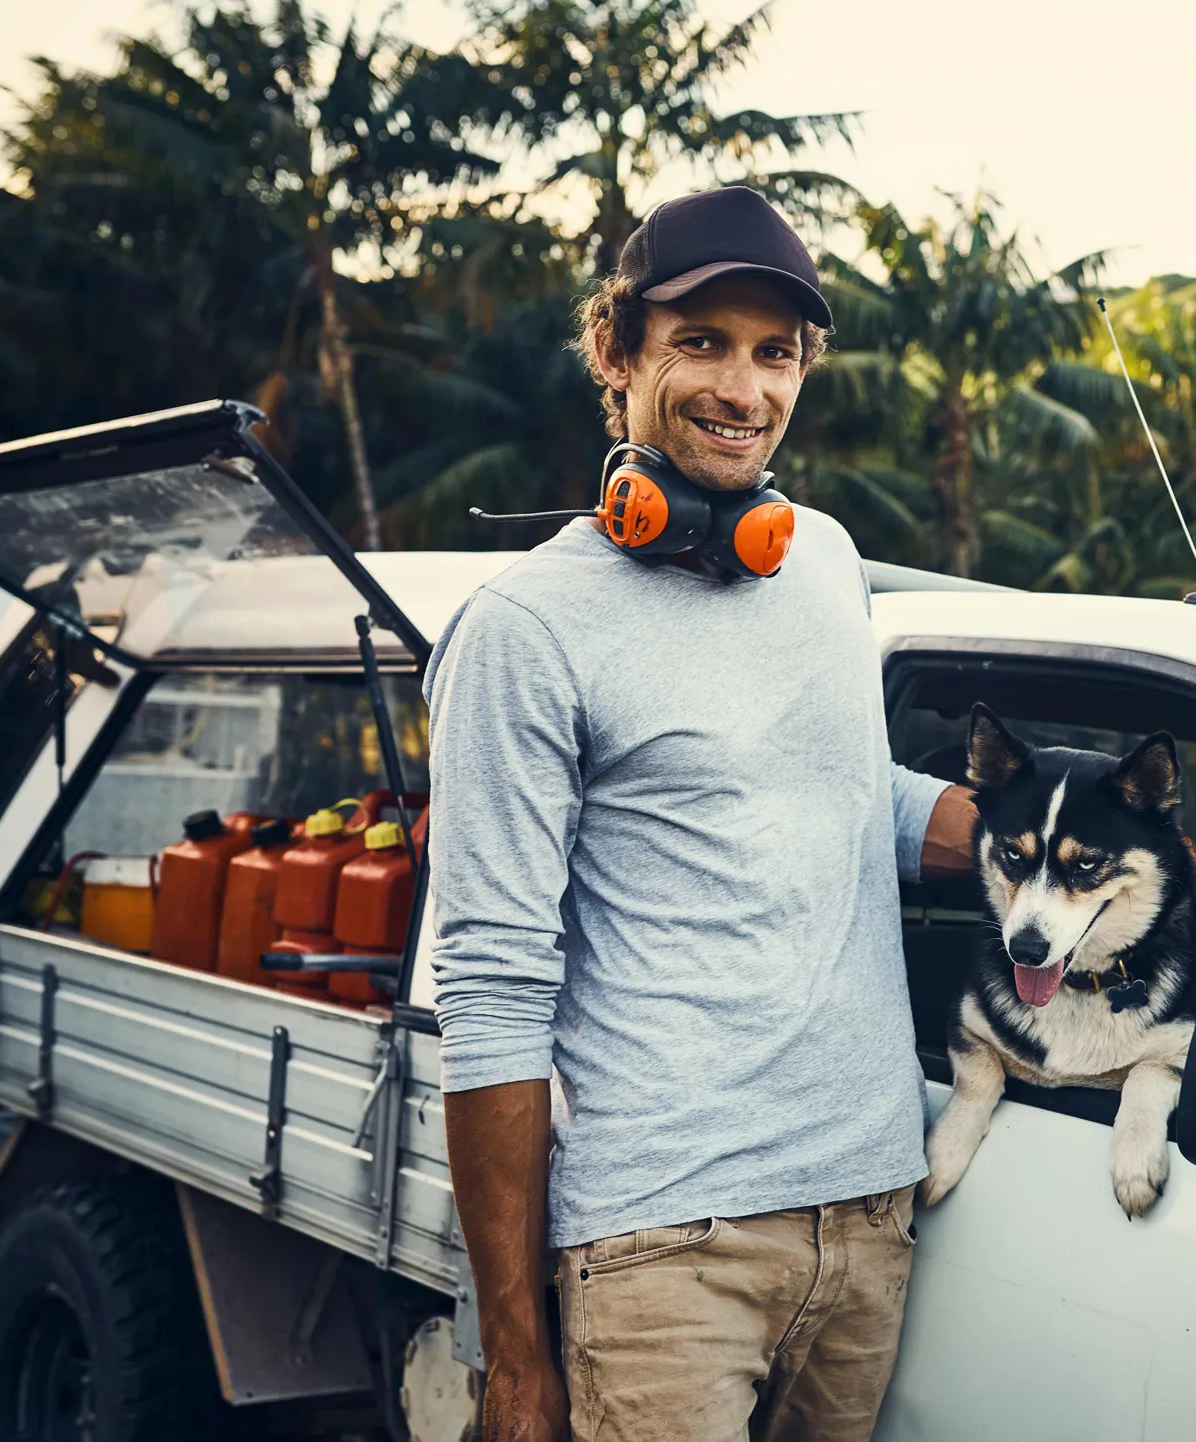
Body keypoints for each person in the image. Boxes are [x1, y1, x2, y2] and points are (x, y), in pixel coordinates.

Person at [425, 185, 977, 1442]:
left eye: (773, 353)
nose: (744, 388)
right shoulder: (527, 629)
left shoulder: (825, 561)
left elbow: (832, 790)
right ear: (615, 353)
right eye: (702, 342)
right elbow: (494, 986)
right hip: (665, 1247)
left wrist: (1045, 839)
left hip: (870, 1223)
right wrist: (517, 1361)